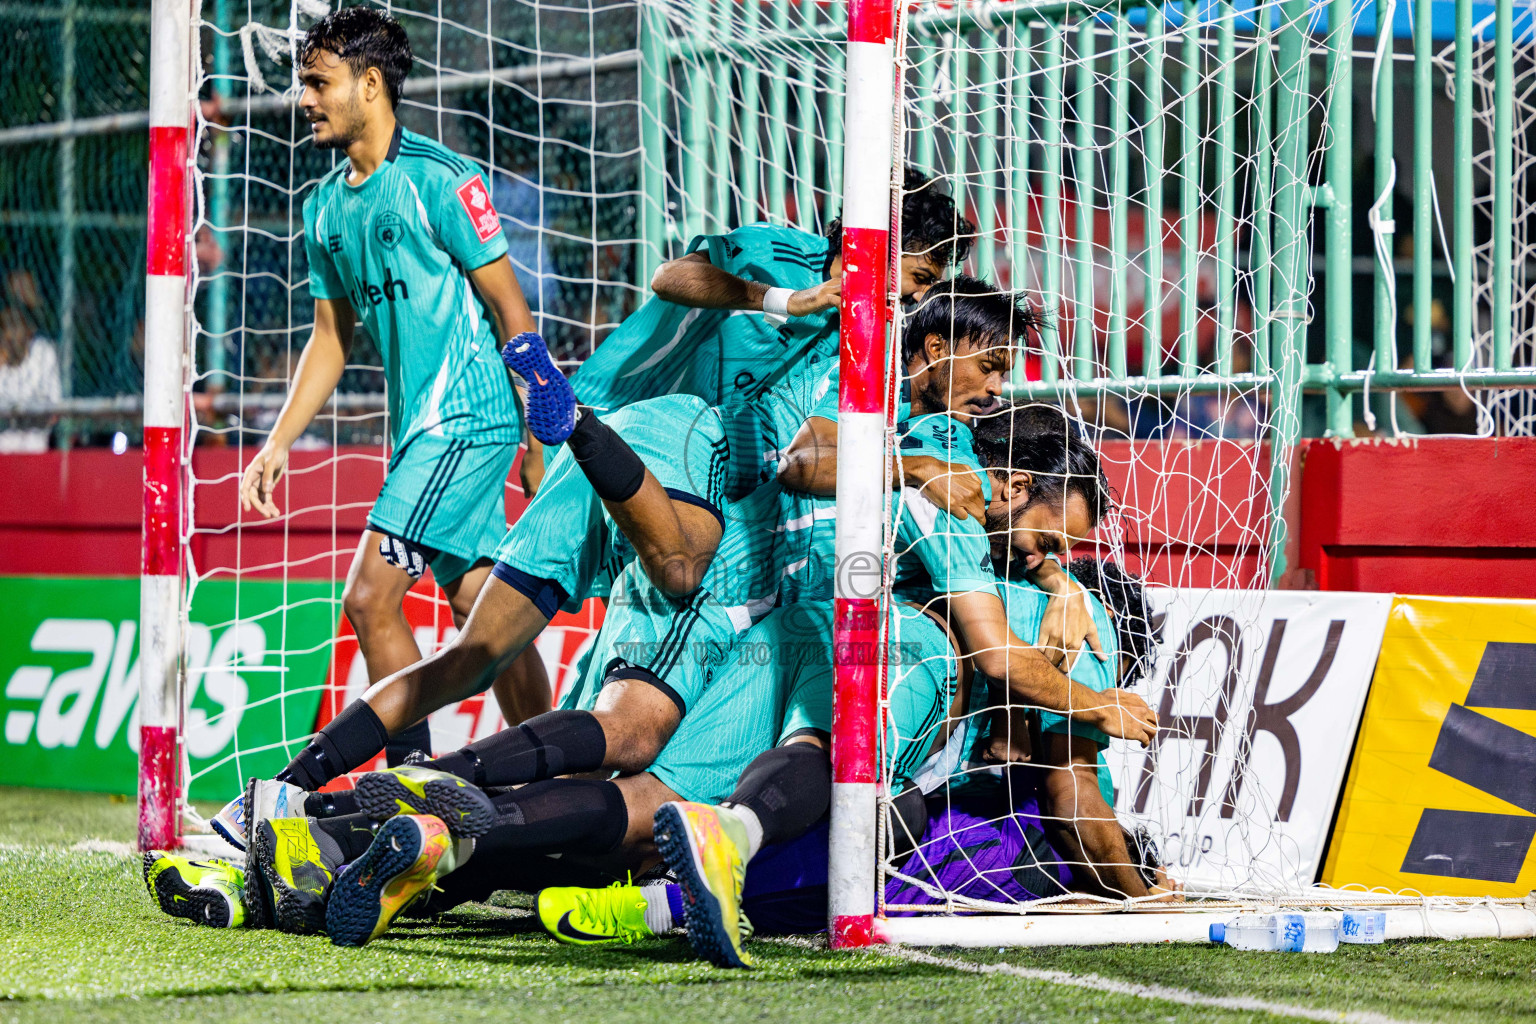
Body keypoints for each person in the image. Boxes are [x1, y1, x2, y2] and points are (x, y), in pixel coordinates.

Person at [216, 6, 576, 848]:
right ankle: (563, 796)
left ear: (369, 85)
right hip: (423, 431)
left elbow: (508, 303)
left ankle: (405, 796)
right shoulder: (322, 210)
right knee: (488, 617)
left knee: (369, 597)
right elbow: (331, 340)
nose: (302, 98)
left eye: (317, 82)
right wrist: (276, 440)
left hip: (469, 418)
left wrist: (534, 429)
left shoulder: (442, 179)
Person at [570, 167, 971, 419]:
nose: (920, 296)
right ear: (874, 247)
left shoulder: (881, 330)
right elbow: (668, 278)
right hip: (605, 412)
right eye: (918, 277)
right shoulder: (773, 250)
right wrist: (789, 301)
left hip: (686, 459)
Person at [0, 304, 60, 454]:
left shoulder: (43, 352)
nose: (12, 339)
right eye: (8, 335)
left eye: (17, 330)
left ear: (29, 333)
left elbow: (53, 411)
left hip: (34, 444)